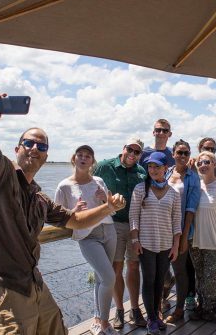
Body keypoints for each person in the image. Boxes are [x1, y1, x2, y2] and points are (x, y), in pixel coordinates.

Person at [0, 94, 126, 335]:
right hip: (2, 284)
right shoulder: (2, 177)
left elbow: (75, 220)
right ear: (17, 149)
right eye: (29, 143)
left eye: (41, 147)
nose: (35, 149)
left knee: (56, 328)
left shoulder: (40, 198)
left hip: (32, 281)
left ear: (46, 156)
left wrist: (108, 208)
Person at [54, 145, 117, 335]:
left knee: (100, 278)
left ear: (92, 162)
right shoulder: (64, 186)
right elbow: (57, 217)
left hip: (109, 230)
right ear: (74, 159)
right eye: (80, 155)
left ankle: (98, 319)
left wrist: (105, 199)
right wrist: (74, 213)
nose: (83, 158)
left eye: (88, 156)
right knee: (109, 277)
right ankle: (106, 324)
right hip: (87, 236)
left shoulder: (99, 180)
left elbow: (112, 208)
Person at [93, 138, 147, 329]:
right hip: (111, 224)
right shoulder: (105, 167)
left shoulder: (141, 172)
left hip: (134, 226)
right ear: (123, 148)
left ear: (140, 155)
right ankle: (119, 311)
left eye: (137, 151)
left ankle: (135, 309)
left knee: (133, 266)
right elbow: (88, 184)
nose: (132, 154)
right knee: (115, 269)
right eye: (130, 149)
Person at [129, 152, 182, 335]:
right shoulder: (140, 189)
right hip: (146, 244)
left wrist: (176, 245)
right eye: (150, 166)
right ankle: (151, 318)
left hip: (166, 244)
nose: (153, 170)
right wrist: (135, 240)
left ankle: (157, 315)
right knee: (149, 280)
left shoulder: (174, 194)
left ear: (165, 168)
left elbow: (177, 222)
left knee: (160, 281)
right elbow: (133, 217)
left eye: (157, 167)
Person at [189, 151, 216, 325]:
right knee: (200, 276)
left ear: (214, 164)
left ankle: (210, 309)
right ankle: (202, 307)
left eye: (207, 162)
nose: (203, 165)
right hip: (196, 240)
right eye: (200, 163)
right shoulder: (196, 185)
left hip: (215, 239)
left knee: (212, 277)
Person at [139, 118, 176, 311]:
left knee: (165, 273)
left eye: (165, 130)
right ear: (153, 132)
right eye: (158, 130)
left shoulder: (173, 155)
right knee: (149, 272)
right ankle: (150, 310)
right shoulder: (143, 154)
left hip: (167, 212)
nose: (161, 133)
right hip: (146, 213)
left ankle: (162, 300)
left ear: (170, 134)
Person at [163, 140, 201, 324]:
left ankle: (179, 309)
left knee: (180, 270)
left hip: (181, 230)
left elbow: (191, 209)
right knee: (161, 270)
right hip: (161, 229)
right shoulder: (166, 172)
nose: (183, 156)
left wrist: (184, 237)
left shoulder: (193, 177)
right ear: (173, 153)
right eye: (180, 152)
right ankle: (160, 300)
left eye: (186, 153)